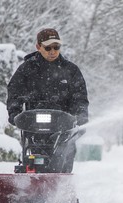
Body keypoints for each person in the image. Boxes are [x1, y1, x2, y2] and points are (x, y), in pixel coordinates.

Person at [6, 28, 89, 172]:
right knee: (32, 154)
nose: (52, 51)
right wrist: (14, 113)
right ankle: (29, 181)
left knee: (64, 155)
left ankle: (62, 188)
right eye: (48, 47)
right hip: (33, 125)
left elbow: (80, 97)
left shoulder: (71, 70)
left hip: (63, 125)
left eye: (56, 47)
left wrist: (81, 115)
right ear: (38, 47)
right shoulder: (26, 69)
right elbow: (14, 92)